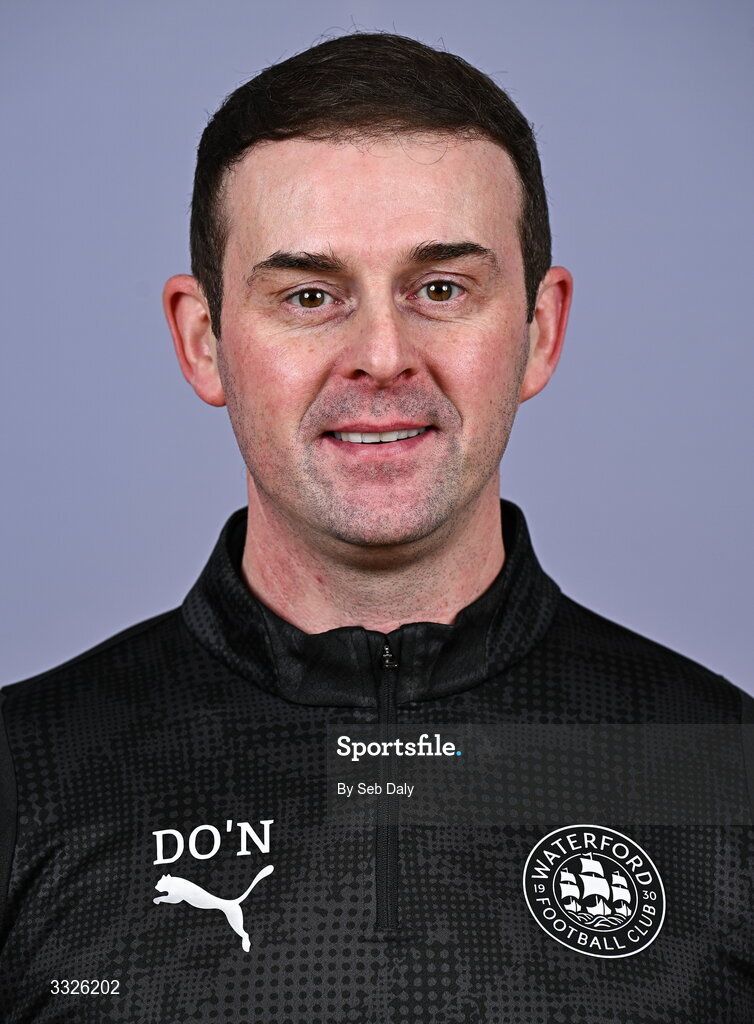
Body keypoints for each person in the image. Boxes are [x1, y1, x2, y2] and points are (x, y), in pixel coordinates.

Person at [1, 31, 751, 1024]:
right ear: (204, 342)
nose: (382, 356)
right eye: (310, 296)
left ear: (538, 329)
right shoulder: (26, 778)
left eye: (440, 289)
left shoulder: (723, 773)